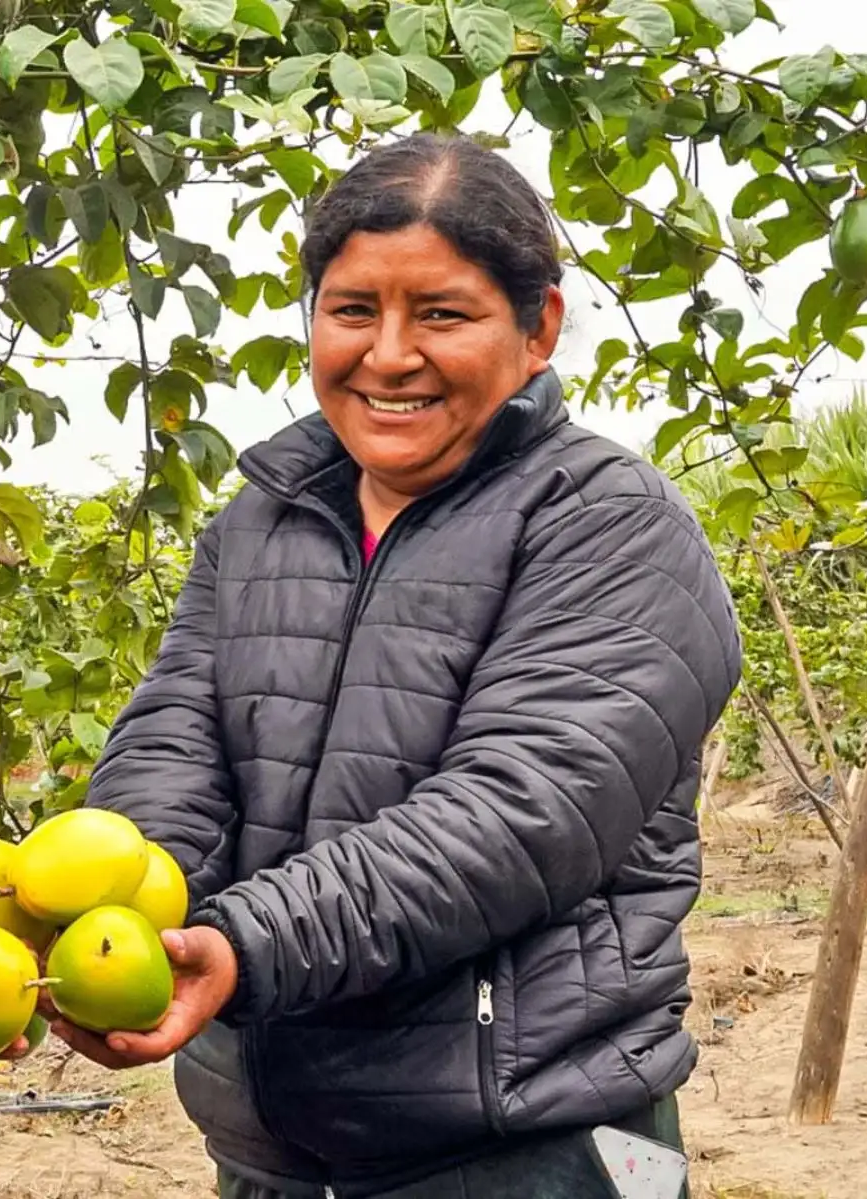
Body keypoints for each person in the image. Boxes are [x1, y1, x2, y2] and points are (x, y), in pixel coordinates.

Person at [58, 133, 742, 1198]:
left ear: (537, 328)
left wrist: (240, 945)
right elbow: (173, 744)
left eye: (442, 314)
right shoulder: (260, 521)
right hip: (276, 1153)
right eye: (352, 309)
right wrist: (124, 912)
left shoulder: (611, 524)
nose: (388, 354)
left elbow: (518, 815)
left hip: (534, 1148)